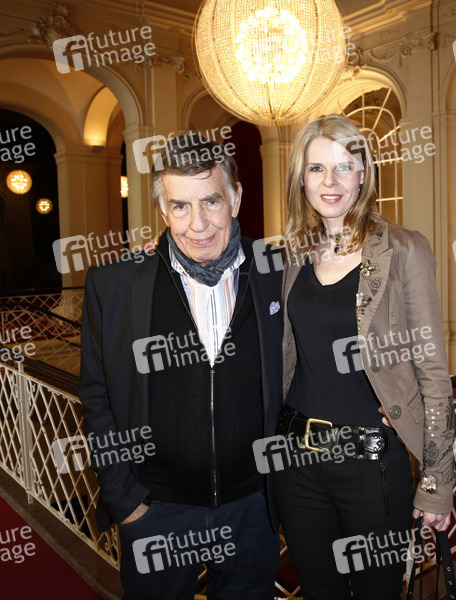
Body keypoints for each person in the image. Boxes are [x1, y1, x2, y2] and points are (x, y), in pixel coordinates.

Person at [79, 133, 283, 600]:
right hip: (155, 511)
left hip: (252, 508)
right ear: (163, 210)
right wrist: (124, 498)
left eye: (211, 201)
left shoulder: (276, 271)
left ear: (235, 198)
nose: (198, 224)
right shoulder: (114, 286)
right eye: (180, 206)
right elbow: (97, 395)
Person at [274, 114, 455, 599]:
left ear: (363, 175)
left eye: (343, 167)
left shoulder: (403, 250)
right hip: (296, 462)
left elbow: (433, 372)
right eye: (317, 169)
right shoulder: (291, 254)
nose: (330, 182)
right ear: (301, 179)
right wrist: (166, 247)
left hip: (371, 466)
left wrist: (437, 481)